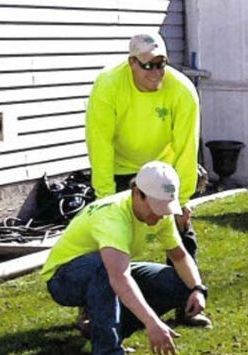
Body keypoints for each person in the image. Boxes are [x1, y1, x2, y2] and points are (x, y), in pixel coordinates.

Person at [84, 32, 209, 327]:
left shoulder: (182, 90)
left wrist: (183, 200)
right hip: (119, 166)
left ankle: (189, 303)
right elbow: (99, 143)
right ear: (131, 63)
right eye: (147, 66)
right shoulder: (108, 85)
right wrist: (105, 198)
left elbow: (187, 148)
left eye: (160, 64)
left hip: (160, 167)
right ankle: (92, 308)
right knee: (107, 237)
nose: (155, 73)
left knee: (181, 231)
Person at [41, 162, 210, 355]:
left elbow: (179, 256)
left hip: (110, 269)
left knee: (176, 283)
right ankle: (109, 354)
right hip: (64, 279)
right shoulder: (112, 217)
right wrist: (152, 323)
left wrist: (197, 289)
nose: (160, 215)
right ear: (137, 193)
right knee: (104, 271)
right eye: (156, 207)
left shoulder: (163, 215)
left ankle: (101, 329)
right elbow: (118, 277)